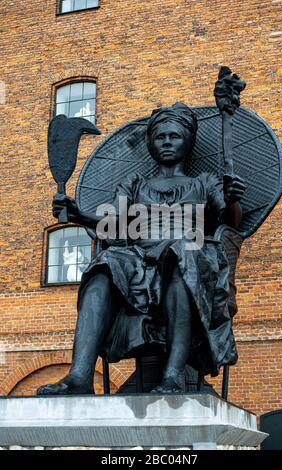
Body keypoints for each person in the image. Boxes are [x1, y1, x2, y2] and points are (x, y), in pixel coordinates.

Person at [37, 102, 245, 395]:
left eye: (175, 136)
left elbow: (230, 221)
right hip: (140, 259)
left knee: (181, 254)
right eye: (160, 137)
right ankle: (79, 376)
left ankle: (172, 375)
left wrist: (233, 198)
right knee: (103, 266)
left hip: (191, 255)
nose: (167, 142)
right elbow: (113, 224)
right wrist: (77, 214)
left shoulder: (204, 182)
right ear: (151, 143)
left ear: (188, 141)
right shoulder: (135, 184)